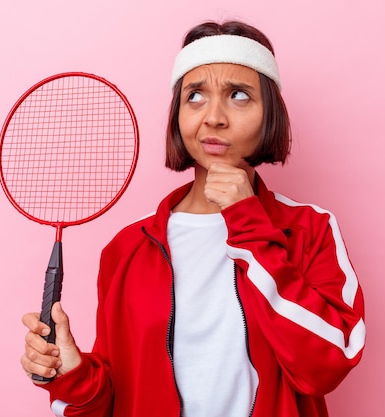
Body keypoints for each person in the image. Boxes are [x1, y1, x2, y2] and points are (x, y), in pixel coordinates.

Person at [21, 20, 366, 417]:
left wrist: (249, 225)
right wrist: (75, 375)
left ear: (270, 112)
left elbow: (328, 363)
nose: (214, 117)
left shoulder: (310, 229)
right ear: (178, 114)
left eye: (239, 95)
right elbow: (117, 401)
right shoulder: (126, 249)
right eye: (195, 96)